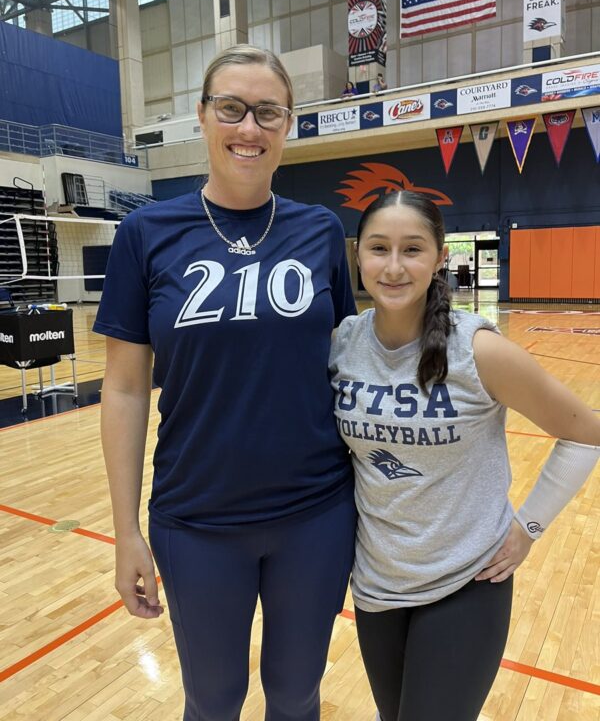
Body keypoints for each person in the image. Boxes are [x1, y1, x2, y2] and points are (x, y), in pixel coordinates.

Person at [94, 44, 357, 721]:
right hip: (197, 519)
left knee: (297, 695)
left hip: (315, 515)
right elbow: (124, 389)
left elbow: (346, 363)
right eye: (232, 109)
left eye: (268, 112)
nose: (249, 128)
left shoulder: (321, 231)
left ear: (288, 123)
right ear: (202, 117)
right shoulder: (145, 233)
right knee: (212, 701)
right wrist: (126, 532)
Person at [328, 190, 600, 721]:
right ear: (358, 256)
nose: (394, 266)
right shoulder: (343, 343)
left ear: (438, 257)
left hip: (466, 583)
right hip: (377, 585)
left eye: (413, 249)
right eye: (379, 248)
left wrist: (529, 528)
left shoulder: (477, 350)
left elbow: (586, 432)